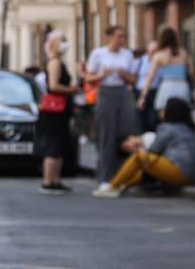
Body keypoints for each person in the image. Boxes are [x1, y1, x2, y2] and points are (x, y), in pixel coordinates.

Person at [93, 97, 195, 197]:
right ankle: (121, 185)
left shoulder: (167, 127)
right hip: (192, 176)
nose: (161, 111)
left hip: (179, 171)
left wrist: (141, 150)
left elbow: (154, 151)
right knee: (149, 165)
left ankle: (112, 186)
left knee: (139, 158)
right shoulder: (189, 128)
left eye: (164, 109)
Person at [86, 25, 139, 191]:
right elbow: (89, 78)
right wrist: (102, 75)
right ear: (109, 37)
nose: (121, 40)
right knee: (107, 135)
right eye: (118, 36)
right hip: (106, 91)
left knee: (125, 133)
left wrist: (125, 76)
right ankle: (105, 177)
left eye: (123, 37)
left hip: (123, 92)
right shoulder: (98, 54)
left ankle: (124, 176)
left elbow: (134, 80)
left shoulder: (128, 55)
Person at [37, 31, 78, 194]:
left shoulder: (57, 61)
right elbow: (53, 86)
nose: (65, 43)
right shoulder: (55, 62)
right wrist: (71, 89)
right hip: (55, 110)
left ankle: (55, 180)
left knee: (60, 143)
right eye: (62, 40)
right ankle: (48, 181)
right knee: (53, 144)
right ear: (53, 43)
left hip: (60, 110)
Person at [138, 26, 191, 120]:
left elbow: (150, 78)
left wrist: (143, 96)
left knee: (164, 115)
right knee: (182, 114)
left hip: (167, 86)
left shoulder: (159, 55)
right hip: (182, 85)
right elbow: (190, 71)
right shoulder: (183, 53)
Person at [134, 41, 161, 133]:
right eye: (152, 50)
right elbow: (135, 75)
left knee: (154, 119)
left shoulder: (160, 61)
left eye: (156, 50)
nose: (154, 52)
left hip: (155, 91)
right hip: (141, 91)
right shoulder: (141, 60)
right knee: (142, 119)